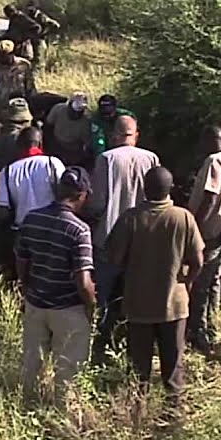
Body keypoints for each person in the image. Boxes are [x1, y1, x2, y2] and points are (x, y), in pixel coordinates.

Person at [107, 166, 204, 401]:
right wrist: (187, 283)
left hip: (139, 304)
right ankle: (173, 416)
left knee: (139, 369)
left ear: (144, 188)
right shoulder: (183, 217)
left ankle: (137, 413)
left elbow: (113, 258)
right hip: (174, 304)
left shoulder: (131, 218)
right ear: (170, 189)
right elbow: (199, 260)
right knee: (173, 367)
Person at [16, 167, 96, 398]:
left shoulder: (32, 219)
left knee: (31, 363)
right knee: (69, 370)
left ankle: (28, 406)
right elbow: (83, 281)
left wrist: (27, 287)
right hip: (67, 308)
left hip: (35, 302)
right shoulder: (79, 230)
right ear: (81, 195)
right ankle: (65, 417)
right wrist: (90, 305)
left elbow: (22, 260)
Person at [86, 116, 160, 362]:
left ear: (114, 135)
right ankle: (132, 344)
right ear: (135, 135)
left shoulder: (106, 159)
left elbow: (97, 204)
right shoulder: (150, 159)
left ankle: (98, 344)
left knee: (103, 293)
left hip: (108, 236)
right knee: (135, 292)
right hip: (142, 237)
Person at [187, 126, 221, 353]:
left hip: (209, 232)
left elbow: (210, 197)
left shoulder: (213, 161)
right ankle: (213, 327)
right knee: (214, 282)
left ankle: (200, 335)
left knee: (200, 285)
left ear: (210, 140)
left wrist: (194, 229)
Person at [0, 127, 66, 229]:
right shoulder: (52, 163)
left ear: (18, 145)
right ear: (40, 144)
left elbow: (2, 212)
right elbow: (66, 195)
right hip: (51, 228)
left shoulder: (7, 171)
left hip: (23, 230)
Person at [0, 40, 35, 117]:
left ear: (11, 53)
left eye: (3, 55)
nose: (0, 58)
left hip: (19, 110)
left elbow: (30, 89)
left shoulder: (23, 65)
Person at [43, 91, 93, 168]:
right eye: (74, 111)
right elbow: (48, 127)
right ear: (69, 105)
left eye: (80, 111)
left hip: (73, 151)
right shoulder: (58, 109)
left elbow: (87, 143)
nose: (76, 114)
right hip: (55, 144)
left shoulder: (87, 120)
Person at [88, 95, 135, 159]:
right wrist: (101, 157)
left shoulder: (126, 115)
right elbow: (98, 138)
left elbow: (131, 133)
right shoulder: (96, 118)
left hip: (123, 144)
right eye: (104, 109)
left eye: (109, 109)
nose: (107, 116)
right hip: (106, 145)